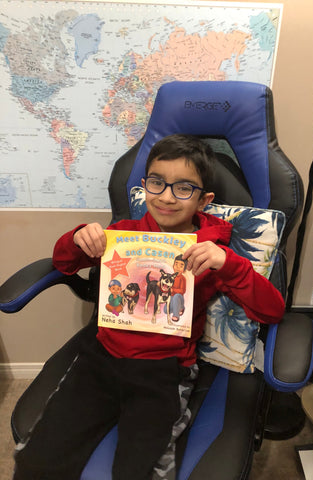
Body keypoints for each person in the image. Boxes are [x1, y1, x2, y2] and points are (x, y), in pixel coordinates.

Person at [13, 134, 285, 480]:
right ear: (145, 187)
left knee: (138, 470)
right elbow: (64, 261)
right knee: (37, 461)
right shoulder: (123, 234)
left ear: (204, 200)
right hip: (101, 358)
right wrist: (79, 237)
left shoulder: (210, 254)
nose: (167, 196)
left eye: (184, 188)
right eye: (157, 183)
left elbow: (271, 311)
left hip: (163, 371)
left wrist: (228, 264)